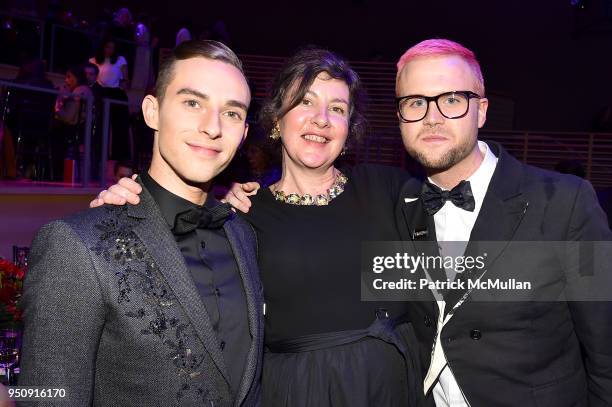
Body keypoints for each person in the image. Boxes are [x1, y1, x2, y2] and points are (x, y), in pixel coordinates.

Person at [91, 48, 421, 407]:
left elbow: (461, 268)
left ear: (348, 129)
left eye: (338, 109)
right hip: (296, 393)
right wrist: (133, 204)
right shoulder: (241, 217)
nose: (322, 119)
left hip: (391, 386)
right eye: (305, 102)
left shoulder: (388, 189)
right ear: (277, 120)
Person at [19, 40, 264, 406]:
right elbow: (42, 395)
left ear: (243, 134)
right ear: (152, 111)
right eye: (192, 102)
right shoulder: (76, 244)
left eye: (231, 113)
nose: (212, 127)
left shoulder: (243, 235)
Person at [394, 39, 612, 406]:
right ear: (399, 116)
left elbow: (606, 346)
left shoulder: (565, 202)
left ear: (481, 111)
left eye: (451, 99)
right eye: (415, 102)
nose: (432, 117)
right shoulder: (398, 203)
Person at [89, 38, 131, 162]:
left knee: (120, 126)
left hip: (116, 92)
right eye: (107, 47)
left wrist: (125, 83)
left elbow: (126, 79)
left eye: (112, 48)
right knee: (100, 124)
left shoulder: (120, 59)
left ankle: (121, 158)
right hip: (100, 92)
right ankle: (99, 155)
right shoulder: (93, 60)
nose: (109, 50)